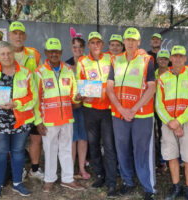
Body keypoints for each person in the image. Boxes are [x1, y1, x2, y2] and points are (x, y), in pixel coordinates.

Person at [106, 27, 156, 200]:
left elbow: (152, 88)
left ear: (139, 42)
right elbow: (109, 88)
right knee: (122, 149)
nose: (130, 42)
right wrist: (121, 109)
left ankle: (148, 187)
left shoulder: (147, 60)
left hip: (141, 115)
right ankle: (128, 181)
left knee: (141, 151)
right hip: (120, 115)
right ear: (123, 42)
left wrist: (133, 109)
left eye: (133, 40)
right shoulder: (115, 60)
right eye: (127, 39)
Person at [0, 41, 36, 198]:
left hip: (19, 119)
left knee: (18, 152)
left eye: (9, 53)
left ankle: (17, 184)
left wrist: (16, 103)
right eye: (2, 54)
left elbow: (32, 97)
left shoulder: (26, 72)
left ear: (14, 53)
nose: (6, 56)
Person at [34, 38, 84, 192]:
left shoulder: (68, 71)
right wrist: (38, 121)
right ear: (46, 53)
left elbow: (73, 93)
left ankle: (68, 179)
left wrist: (78, 97)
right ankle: (49, 179)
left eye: (57, 51)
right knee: (49, 149)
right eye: (51, 51)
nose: (54, 54)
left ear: (61, 52)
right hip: (48, 119)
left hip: (67, 117)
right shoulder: (39, 72)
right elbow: (35, 99)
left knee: (66, 148)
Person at [156, 45, 188, 200]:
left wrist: (180, 121)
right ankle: (176, 186)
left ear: (185, 58)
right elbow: (159, 104)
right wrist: (171, 122)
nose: (177, 59)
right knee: (171, 156)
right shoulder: (163, 78)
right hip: (167, 123)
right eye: (174, 56)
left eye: (180, 56)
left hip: (186, 123)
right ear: (170, 58)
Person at [76, 32, 118, 197]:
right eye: (92, 42)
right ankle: (100, 175)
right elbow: (79, 85)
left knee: (108, 146)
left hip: (108, 109)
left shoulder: (111, 59)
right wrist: (79, 95)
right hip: (89, 109)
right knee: (93, 144)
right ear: (89, 45)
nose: (95, 45)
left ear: (102, 44)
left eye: (98, 42)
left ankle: (111, 181)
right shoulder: (82, 61)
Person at [7, 21, 44, 180]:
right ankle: (19, 169)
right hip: (12, 105)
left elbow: (42, 74)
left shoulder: (33, 53)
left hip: (32, 103)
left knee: (36, 138)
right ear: (9, 35)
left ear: (25, 36)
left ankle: (34, 169)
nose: (18, 36)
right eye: (15, 33)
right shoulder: (4, 53)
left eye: (21, 33)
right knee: (17, 142)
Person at [65, 37, 90, 180]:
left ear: (84, 48)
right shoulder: (66, 65)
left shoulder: (88, 63)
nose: (77, 49)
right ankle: (70, 169)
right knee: (72, 138)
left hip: (85, 106)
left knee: (83, 137)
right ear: (71, 48)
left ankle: (81, 168)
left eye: (80, 47)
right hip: (71, 107)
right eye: (74, 47)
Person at [154, 49, 170, 173]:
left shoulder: (172, 74)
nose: (163, 61)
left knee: (169, 135)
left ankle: (175, 160)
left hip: (169, 110)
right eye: (161, 58)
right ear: (157, 60)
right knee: (158, 135)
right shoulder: (153, 74)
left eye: (165, 59)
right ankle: (162, 161)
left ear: (169, 60)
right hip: (155, 109)